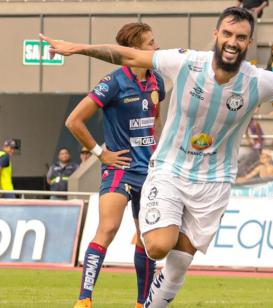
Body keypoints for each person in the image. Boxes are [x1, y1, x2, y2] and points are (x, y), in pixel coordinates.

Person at [41, 7, 273, 307]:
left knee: (180, 264)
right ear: (216, 35)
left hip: (214, 183)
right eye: (227, 34)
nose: (233, 42)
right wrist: (77, 47)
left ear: (249, 42)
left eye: (241, 37)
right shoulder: (185, 62)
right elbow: (125, 53)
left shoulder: (259, 81)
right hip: (169, 171)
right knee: (157, 245)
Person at [64, 22, 166, 308]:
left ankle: (141, 302)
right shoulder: (113, 82)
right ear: (133, 50)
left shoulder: (157, 80)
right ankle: (84, 299)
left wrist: (156, 148)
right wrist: (100, 153)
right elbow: (73, 121)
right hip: (119, 168)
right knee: (107, 229)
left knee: (146, 238)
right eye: (150, 43)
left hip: (149, 172)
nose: (156, 48)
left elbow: (154, 119)